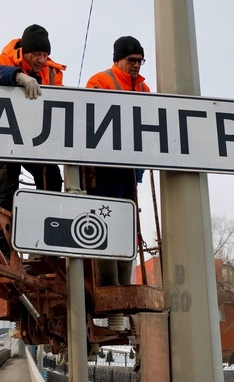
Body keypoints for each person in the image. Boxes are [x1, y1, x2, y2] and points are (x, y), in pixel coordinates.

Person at [0, 24, 66, 259]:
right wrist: (16, 76)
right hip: (4, 138)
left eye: (45, 55)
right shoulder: (5, 59)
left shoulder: (52, 72)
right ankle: (3, 248)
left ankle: (41, 242)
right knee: (7, 189)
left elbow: (61, 102)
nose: (42, 60)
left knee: (52, 180)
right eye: (37, 55)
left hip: (34, 140)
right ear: (24, 52)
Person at [83, 36, 150, 286]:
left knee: (126, 222)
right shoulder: (100, 82)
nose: (136, 65)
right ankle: (109, 282)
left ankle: (125, 281)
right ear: (117, 60)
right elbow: (89, 123)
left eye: (140, 61)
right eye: (131, 60)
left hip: (129, 171)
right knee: (103, 221)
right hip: (103, 169)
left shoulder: (144, 89)